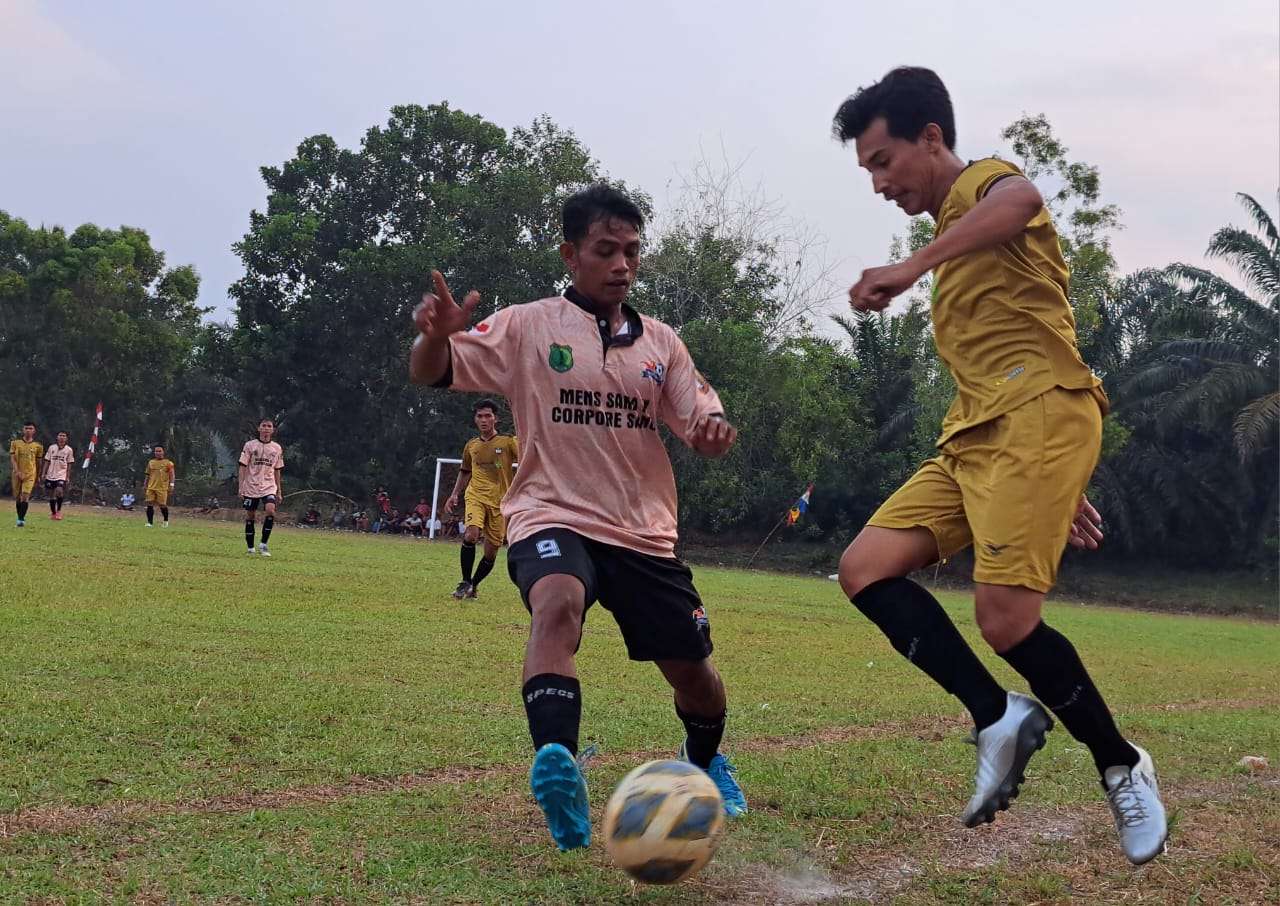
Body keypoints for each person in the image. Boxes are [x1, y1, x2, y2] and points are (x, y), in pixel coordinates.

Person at [831, 67, 1166, 865]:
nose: (878, 183)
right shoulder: (959, 238)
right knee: (864, 568)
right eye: (868, 170)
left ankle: (1122, 764)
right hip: (978, 437)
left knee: (1004, 619)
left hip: (1038, 417)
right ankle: (996, 716)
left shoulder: (985, 185)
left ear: (932, 138)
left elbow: (1020, 200)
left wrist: (911, 268)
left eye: (883, 161)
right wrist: (1055, 485)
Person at [410, 183, 746, 853]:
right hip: (549, 512)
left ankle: (706, 755)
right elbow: (430, 372)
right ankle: (557, 763)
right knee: (556, 604)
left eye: (631, 251)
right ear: (570, 254)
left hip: (643, 532)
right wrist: (436, 338)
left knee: (696, 677)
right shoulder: (528, 325)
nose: (622, 264)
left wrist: (710, 430)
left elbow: (698, 412)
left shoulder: (662, 343)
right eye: (605, 250)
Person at [444, 399, 519, 599]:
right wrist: (454, 494)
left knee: (491, 552)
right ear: (475, 419)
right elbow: (465, 471)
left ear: (496, 419)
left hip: (500, 502)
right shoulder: (471, 445)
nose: (484, 420)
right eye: (480, 416)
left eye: (488, 416)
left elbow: (529, 458)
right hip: (475, 494)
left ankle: (473, 585)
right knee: (470, 535)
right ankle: (465, 581)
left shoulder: (508, 443)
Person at [239, 419, 284, 556]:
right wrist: (241, 487)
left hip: (269, 486)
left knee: (270, 510)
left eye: (269, 426)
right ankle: (250, 547)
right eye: (263, 426)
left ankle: (264, 545)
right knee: (250, 515)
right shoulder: (250, 445)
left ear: (272, 430)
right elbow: (242, 466)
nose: (266, 428)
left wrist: (279, 491)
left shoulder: (277, 448)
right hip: (251, 485)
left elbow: (277, 469)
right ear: (259, 428)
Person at [9, 421, 43, 527]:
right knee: (18, 497)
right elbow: (13, 459)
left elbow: (38, 462)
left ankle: (21, 519)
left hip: (30, 474)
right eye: (26, 428)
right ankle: (19, 516)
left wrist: (38, 475)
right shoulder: (15, 443)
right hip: (17, 474)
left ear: (34, 431)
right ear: (23, 430)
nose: (28, 430)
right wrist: (17, 471)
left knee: (25, 496)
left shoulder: (38, 446)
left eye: (31, 428)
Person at [42, 431, 75, 520]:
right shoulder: (51, 448)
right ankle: (53, 513)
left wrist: (67, 477)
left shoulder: (69, 450)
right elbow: (47, 461)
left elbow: (69, 464)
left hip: (61, 474)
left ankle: (59, 511)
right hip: (50, 474)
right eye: (60, 435)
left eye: (64, 436)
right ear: (57, 437)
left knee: (59, 491)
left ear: (66, 438)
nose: (62, 437)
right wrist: (43, 473)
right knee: (51, 494)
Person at [142, 445, 176, 528]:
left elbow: (172, 475)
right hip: (151, 487)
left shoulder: (168, 463)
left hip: (162, 488)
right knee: (149, 503)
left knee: (162, 505)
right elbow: (147, 474)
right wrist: (145, 484)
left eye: (159, 451)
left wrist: (171, 485)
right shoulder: (151, 462)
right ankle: (150, 523)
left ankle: (165, 521)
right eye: (156, 451)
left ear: (163, 452)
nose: (158, 453)